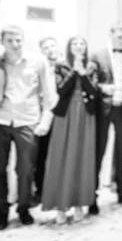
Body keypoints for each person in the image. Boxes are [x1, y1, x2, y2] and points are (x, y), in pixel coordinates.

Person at [0, 26, 57, 230]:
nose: (15, 45)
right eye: (10, 41)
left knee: (25, 170)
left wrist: (45, 122)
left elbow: (50, 95)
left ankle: (23, 208)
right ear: (3, 42)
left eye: (19, 40)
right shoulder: (0, 62)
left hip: (28, 122)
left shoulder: (38, 61)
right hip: (3, 121)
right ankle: (2, 211)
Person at [42, 36, 98, 224]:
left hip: (85, 116)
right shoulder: (60, 65)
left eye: (82, 43)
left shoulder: (91, 66)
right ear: (69, 47)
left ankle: (79, 204)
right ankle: (60, 205)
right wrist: (74, 71)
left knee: (82, 157)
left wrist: (83, 73)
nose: (78, 46)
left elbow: (94, 92)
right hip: (65, 117)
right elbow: (61, 90)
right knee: (61, 156)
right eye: (75, 43)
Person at [90, 23, 122, 213]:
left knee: (121, 152)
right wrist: (102, 87)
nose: (121, 40)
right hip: (104, 109)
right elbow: (91, 82)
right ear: (110, 35)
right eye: (118, 37)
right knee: (99, 151)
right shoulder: (97, 55)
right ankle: (92, 197)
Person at [34, 36, 61, 205]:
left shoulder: (64, 67)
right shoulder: (39, 68)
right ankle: (41, 190)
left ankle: (58, 187)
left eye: (52, 46)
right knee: (42, 155)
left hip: (61, 117)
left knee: (58, 153)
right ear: (42, 51)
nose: (50, 49)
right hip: (45, 116)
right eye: (46, 47)